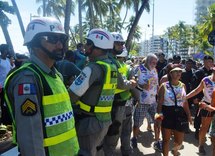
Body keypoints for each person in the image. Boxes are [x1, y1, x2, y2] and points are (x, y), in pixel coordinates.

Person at [4, 17, 79, 155]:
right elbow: (30, 137)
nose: (60, 45)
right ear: (34, 42)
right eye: (51, 39)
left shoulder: (55, 75)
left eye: (62, 40)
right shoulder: (28, 79)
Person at [69, 28, 118, 156]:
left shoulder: (93, 68)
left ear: (96, 45)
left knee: (85, 152)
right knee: (98, 150)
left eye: (88, 43)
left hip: (89, 122)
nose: (85, 46)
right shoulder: (111, 67)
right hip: (104, 119)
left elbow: (72, 96)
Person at [102, 32, 136, 156]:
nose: (122, 46)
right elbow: (121, 84)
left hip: (118, 104)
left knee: (116, 133)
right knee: (112, 135)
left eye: (122, 44)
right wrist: (132, 83)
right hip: (115, 105)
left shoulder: (113, 62)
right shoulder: (112, 62)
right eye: (119, 43)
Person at [185, 62, 215, 155]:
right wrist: (185, 97)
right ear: (212, 70)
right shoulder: (206, 80)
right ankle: (201, 145)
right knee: (204, 127)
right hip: (206, 105)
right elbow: (197, 90)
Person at [156, 66, 192, 156]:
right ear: (170, 74)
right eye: (175, 71)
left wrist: (188, 115)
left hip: (180, 114)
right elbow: (159, 103)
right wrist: (158, 119)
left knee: (179, 141)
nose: (178, 73)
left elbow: (185, 102)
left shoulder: (183, 85)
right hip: (167, 113)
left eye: (180, 71)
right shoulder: (164, 86)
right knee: (166, 140)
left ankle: (175, 152)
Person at [131, 53, 160, 151]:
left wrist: (159, 96)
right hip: (141, 101)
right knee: (137, 123)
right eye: (153, 62)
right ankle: (134, 138)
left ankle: (157, 142)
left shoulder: (155, 70)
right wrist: (142, 86)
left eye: (156, 63)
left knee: (157, 121)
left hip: (153, 102)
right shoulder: (138, 69)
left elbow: (157, 84)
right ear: (147, 61)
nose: (154, 64)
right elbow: (132, 82)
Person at [192, 55, 214, 140]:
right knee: (198, 114)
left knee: (210, 115)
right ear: (204, 62)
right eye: (208, 61)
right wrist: (195, 98)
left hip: (211, 98)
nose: (210, 63)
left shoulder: (213, 73)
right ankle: (197, 130)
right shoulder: (199, 72)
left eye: (211, 61)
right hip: (200, 97)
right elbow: (194, 86)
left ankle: (207, 130)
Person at [0, 44, 13, 125]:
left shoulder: (8, 60)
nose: (8, 51)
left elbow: (12, 68)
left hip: (8, 84)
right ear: (4, 50)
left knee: (7, 103)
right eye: (7, 49)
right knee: (3, 104)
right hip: (1, 86)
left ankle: (8, 120)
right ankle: (4, 121)